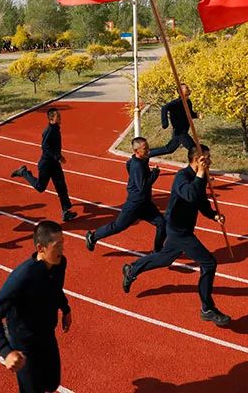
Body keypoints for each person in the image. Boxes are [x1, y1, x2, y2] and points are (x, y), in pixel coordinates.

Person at [121, 144, 230, 325]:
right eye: (207, 158)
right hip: (178, 229)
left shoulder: (198, 178)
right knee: (209, 263)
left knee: (164, 258)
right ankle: (207, 308)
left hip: (184, 228)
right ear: (197, 160)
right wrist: (200, 175)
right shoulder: (182, 177)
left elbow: (200, 200)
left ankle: (132, 269)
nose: (210, 161)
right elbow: (190, 195)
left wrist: (213, 214)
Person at [0, 220, 71, 393]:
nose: (62, 249)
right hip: (24, 343)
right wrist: (6, 351)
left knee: (52, 383)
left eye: (63, 243)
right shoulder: (22, 277)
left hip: (46, 335)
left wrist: (66, 309)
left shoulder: (60, 263)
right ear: (41, 248)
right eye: (57, 245)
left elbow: (55, 288)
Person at [85, 136, 165, 253]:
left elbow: (128, 163)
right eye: (145, 149)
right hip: (135, 204)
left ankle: (157, 251)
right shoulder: (137, 165)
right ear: (136, 151)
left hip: (145, 204)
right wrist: (155, 174)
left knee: (162, 224)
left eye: (147, 147)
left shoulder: (139, 160)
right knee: (117, 226)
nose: (148, 150)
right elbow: (142, 187)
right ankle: (92, 237)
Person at [10, 109, 77, 222]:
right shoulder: (49, 130)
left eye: (60, 115)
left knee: (61, 186)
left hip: (55, 164)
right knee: (40, 187)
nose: (60, 117)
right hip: (46, 165)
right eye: (58, 116)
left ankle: (66, 211)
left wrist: (58, 156)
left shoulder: (56, 128)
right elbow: (45, 146)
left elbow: (53, 146)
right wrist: (58, 157)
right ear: (51, 119)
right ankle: (24, 172)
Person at [148, 84, 198, 158]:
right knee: (194, 149)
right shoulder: (177, 102)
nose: (189, 88)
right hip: (180, 132)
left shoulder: (188, 102)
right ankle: (195, 168)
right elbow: (164, 108)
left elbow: (189, 114)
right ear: (181, 92)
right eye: (186, 88)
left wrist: (196, 115)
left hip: (180, 132)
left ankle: (148, 153)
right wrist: (165, 123)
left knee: (169, 149)